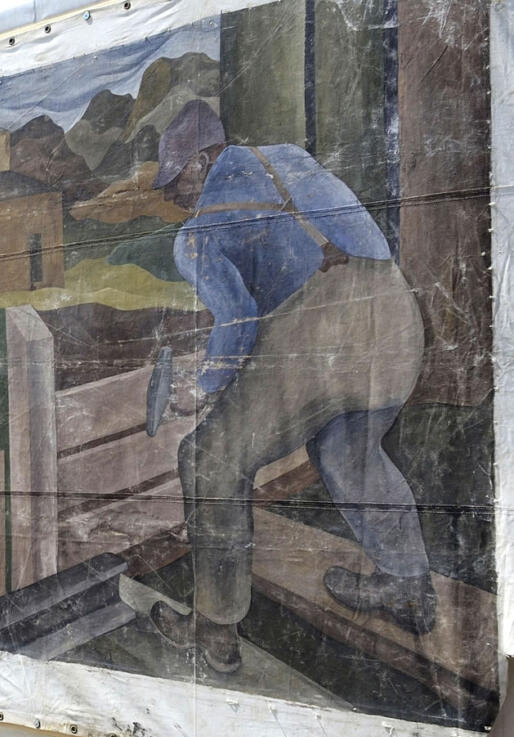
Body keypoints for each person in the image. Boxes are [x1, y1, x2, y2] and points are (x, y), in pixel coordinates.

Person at [147, 100, 434, 673]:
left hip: (323, 328)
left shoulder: (196, 234)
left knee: (208, 458)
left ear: (203, 162)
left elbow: (238, 320)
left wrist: (199, 388)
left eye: (176, 178)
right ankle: (408, 587)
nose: (172, 195)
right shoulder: (288, 158)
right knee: (345, 449)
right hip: (395, 316)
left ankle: (212, 636)